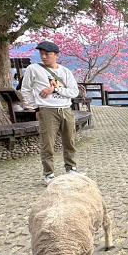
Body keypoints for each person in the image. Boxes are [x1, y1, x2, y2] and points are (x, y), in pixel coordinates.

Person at [20, 40, 80, 185]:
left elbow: (74, 92)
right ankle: (48, 174)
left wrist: (55, 89)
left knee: (69, 141)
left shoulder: (65, 71)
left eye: (47, 54)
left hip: (65, 109)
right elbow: (26, 89)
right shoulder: (33, 69)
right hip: (47, 110)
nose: (44, 57)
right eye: (42, 54)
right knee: (48, 144)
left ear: (56, 55)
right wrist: (34, 107)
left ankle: (71, 168)